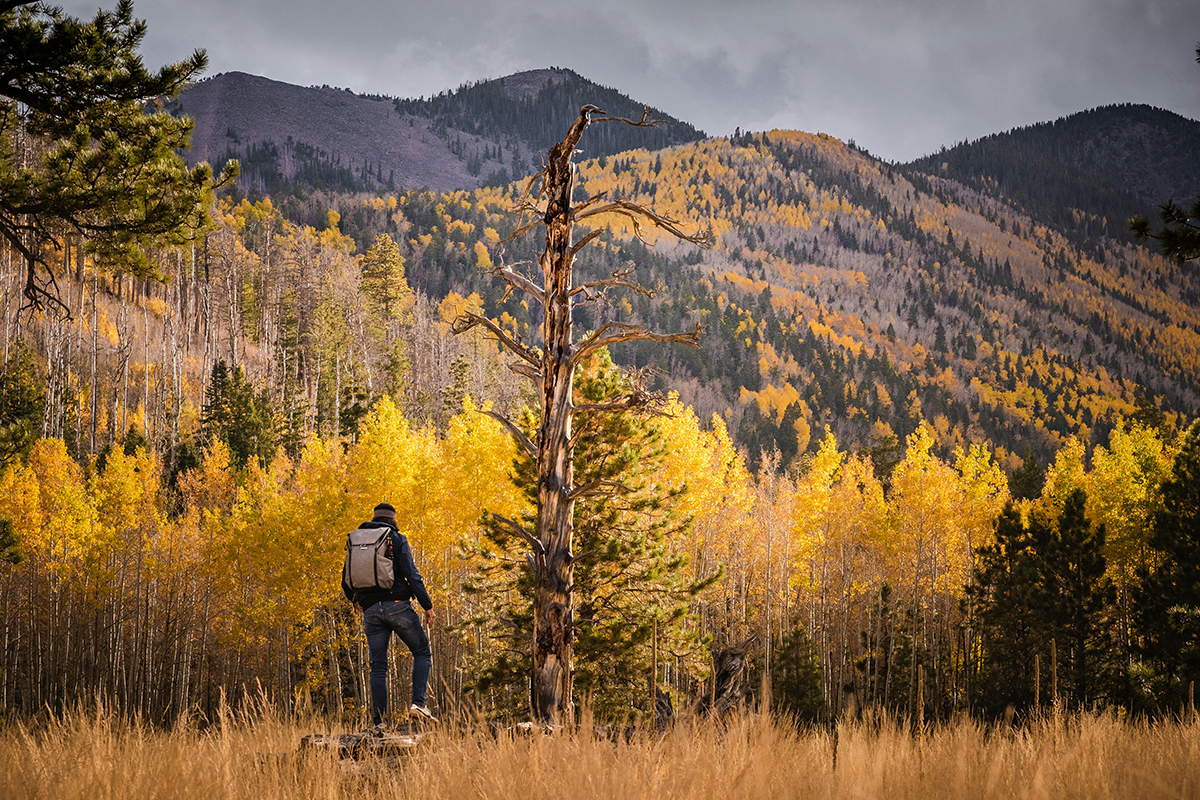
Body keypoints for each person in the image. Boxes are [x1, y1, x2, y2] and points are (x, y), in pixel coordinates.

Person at [342, 502, 437, 726]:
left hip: (371, 611)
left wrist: (356, 599)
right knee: (422, 652)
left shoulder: (356, 540)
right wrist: (427, 605)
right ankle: (418, 704)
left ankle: (380, 723)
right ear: (393, 520)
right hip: (398, 606)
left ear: (373, 518)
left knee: (379, 666)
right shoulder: (396, 538)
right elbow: (412, 575)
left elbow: (345, 580)